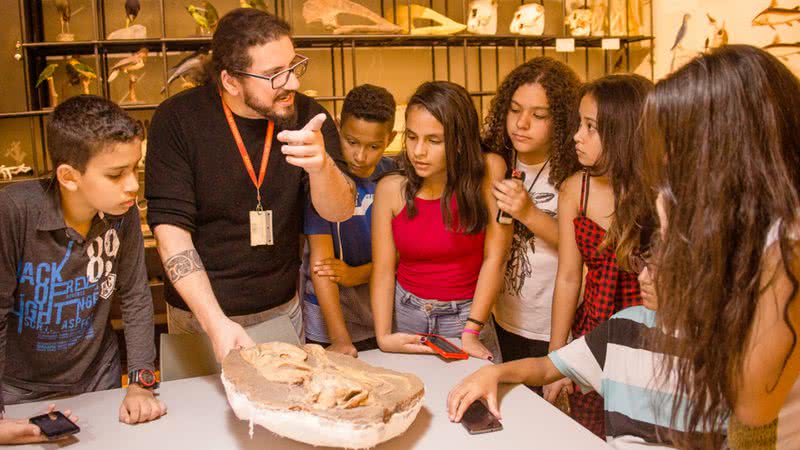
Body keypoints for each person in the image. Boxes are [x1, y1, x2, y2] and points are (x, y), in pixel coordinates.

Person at [145, 8, 355, 363]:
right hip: (199, 315)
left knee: (286, 408)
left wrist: (322, 168)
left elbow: (340, 210)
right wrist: (215, 324)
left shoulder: (308, 116)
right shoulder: (178, 120)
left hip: (281, 311)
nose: (292, 83)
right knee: (202, 416)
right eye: (275, 75)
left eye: (293, 66)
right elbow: (171, 235)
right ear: (230, 81)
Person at [641, 45, 800, 449]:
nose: (670, 159)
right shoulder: (757, 218)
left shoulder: (791, 243)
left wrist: (678, 243)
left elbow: (751, 404)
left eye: (681, 139)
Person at [0, 96, 166, 438]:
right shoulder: (14, 212)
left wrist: (140, 382)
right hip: (20, 387)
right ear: (69, 176)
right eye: (116, 174)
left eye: (134, 168)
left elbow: (135, 295)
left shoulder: (123, 212)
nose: (133, 185)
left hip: (98, 377)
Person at [447, 229, 704, 449]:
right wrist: (493, 374)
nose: (642, 278)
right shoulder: (623, 327)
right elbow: (546, 368)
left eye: (656, 270)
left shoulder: (720, 349)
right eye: (642, 265)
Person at [370, 81, 510, 361]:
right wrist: (383, 336)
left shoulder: (488, 171)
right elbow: (384, 271)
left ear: (459, 141)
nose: (418, 151)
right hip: (407, 315)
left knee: (478, 402)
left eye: (434, 140)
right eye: (412, 137)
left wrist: (471, 330)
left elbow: (497, 256)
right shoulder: (390, 189)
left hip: (468, 317)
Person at [546, 74, 652, 438]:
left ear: (624, 131)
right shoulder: (576, 189)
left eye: (590, 127)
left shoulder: (660, 192)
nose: (577, 135)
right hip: (594, 333)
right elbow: (569, 277)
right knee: (590, 430)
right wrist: (556, 358)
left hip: (649, 338)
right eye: (580, 123)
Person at [482, 57, 581, 388]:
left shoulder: (572, 172)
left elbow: (582, 248)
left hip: (551, 326)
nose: (521, 123)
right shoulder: (495, 160)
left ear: (563, 121)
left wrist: (529, 214)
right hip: (499, 319)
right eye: (514, 110)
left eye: (539, 115)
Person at [303, 84, 397, 357]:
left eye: (373, 146)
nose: (360, 156)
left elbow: (405, 250)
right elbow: (321, 265)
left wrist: (358, 274)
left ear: (390, 139)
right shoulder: (322, 179)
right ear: (336, 126)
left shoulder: (394, 177)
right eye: (351, 141)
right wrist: (340, 338)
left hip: (380, 313)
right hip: (331, 319)